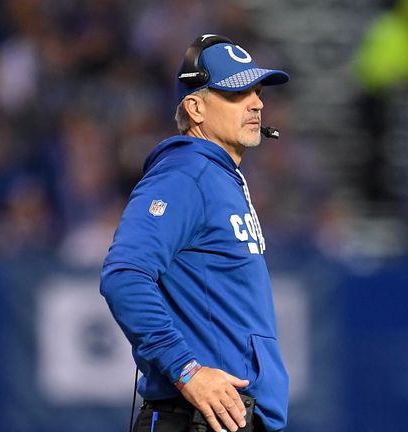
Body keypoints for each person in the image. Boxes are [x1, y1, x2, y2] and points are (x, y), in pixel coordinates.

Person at [100, 34, 290, 432]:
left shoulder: (217, 176)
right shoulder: (185, 174)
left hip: (228, 416)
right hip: (195, 418)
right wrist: (186, 370)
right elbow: (124, 275)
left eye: (257, 91)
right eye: (237, 93)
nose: (257, 103)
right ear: (196, 107)